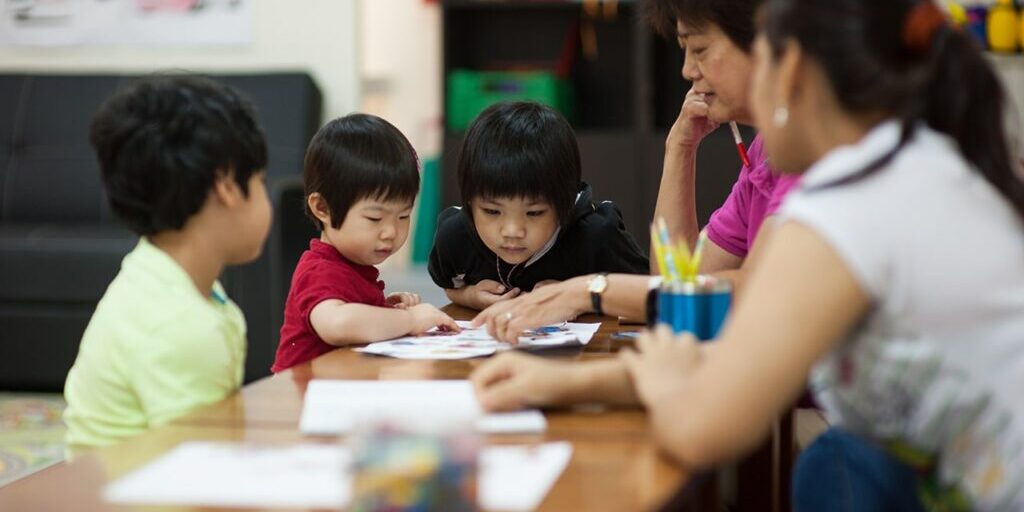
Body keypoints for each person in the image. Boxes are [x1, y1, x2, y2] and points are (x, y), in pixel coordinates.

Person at [473, 0, 1024, 509]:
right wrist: (567, 384)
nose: (690, 72)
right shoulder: (903, 162)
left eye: (701, 49)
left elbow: (705, 424)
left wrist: (647, 366)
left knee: (834, 469)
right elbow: (734, 331)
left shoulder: (845, 205)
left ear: (786, 68)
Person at [464, 0, 798, 331]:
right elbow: (681, 282)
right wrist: (680, 148)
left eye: (699, 48)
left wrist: (589, 291)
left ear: (771, 41)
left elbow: (759, 293)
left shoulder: (810, 158)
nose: (687, 70)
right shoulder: (763, 153)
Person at [63, 76, 272, 451]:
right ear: (225, 185)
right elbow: (200, 478)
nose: (264, 195)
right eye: (259, 180)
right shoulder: (181, 326)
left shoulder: (156, 272)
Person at [272, 114, 458, 373]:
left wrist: (383, 308)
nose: (391, 232)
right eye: (375, 218)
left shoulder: (354, 266)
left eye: (403, 216)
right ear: (322, 208)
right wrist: (408, 319)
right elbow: (337, 324)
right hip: (301, 398)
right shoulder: (319, 270)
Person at [428, 101, 648, 311]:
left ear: (564, 202)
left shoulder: (596, 235)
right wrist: (471, 297)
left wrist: (578, 297)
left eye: (534, 213)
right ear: (469, 201)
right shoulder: (455, 236)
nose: (512, 231)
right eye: (492, 211)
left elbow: (651, 295)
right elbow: (451, 286)